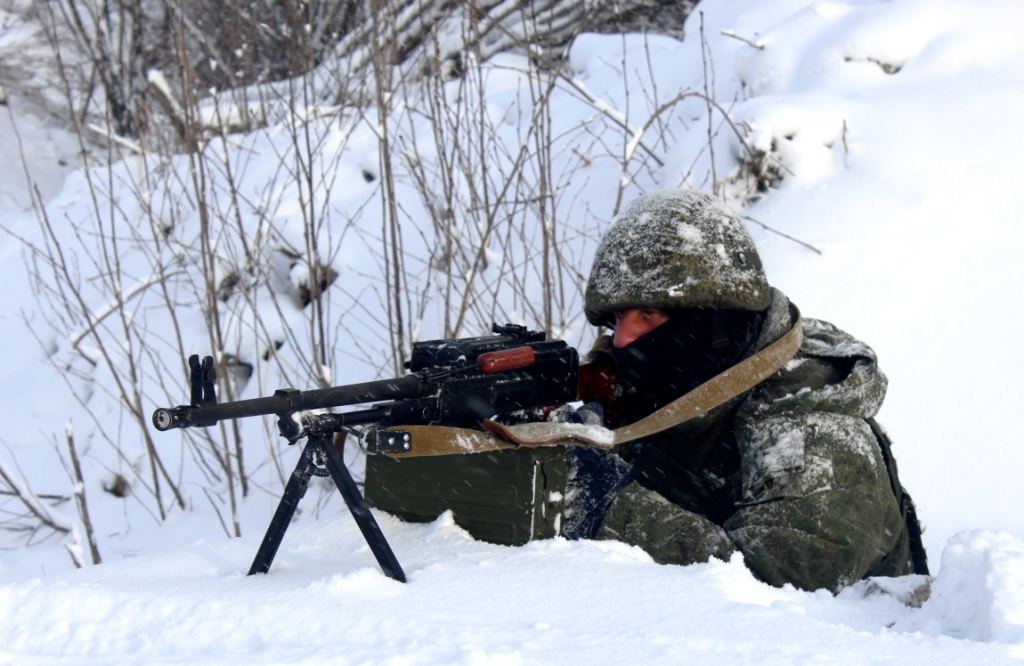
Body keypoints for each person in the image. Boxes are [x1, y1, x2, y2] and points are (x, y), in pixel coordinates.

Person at [561, 189, 928, 592]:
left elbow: (764, 593)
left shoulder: (812, 430)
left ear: (716, 325)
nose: (623, 339)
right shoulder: (666, 381)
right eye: (617, 317)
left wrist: (605, 506)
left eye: (647, 314)